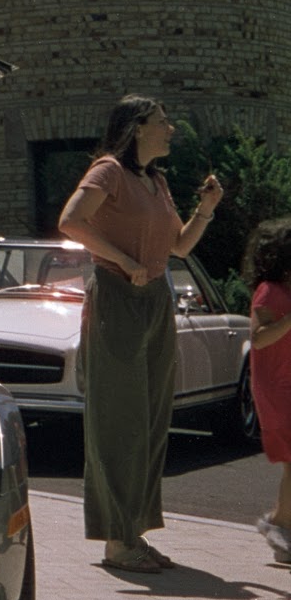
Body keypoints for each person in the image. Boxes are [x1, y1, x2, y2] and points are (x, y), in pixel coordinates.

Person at [58, 97, 223, 574]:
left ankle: (133, 531)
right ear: (136, 128)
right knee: (119, 422)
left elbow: (179, 247)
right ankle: (117, 540)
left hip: (154, 299)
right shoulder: (108, 171)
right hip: (116, 296)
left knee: (151, 421)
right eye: (162, 122)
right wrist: (124, 260)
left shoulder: (156, 181)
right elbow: (70, 221)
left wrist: (206, 209)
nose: (170, 129)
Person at [243, 217, 291, 565]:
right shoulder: (268, 292)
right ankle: (277, 524)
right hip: (276, 388)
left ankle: (280, 526)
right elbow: (259, 339)